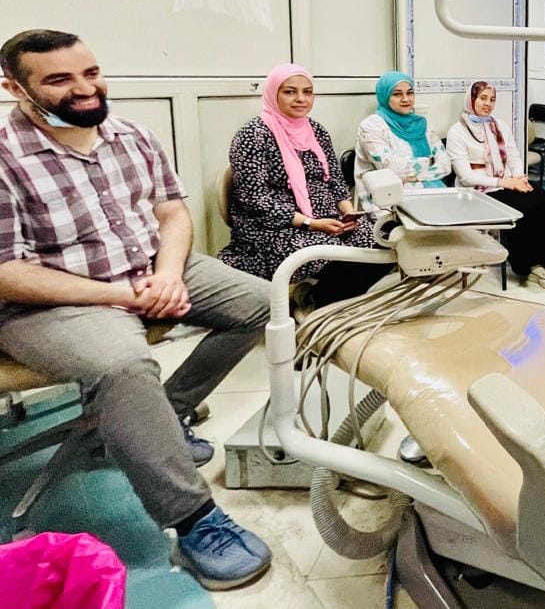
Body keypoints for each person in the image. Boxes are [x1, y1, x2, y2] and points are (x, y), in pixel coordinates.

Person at [0, 29, 272, 589]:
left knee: (262, 303)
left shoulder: (131, 135)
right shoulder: (5, 157)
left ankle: (163, 416)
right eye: (59, 80)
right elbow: (7, 271)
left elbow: (171, 212)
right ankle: (193, 520)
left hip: (148, 267)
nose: (84, 89)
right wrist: (125, 296)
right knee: (123, 365)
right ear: (15, 88)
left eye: (91, 72)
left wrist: (168, 274)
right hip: (49, 299)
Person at [219, 64, 387, 309]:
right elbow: (255, 200)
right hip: (274, 228)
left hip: (328, 220)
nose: (301, 99)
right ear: (273, 93)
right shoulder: (252, 136)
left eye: (307, 92)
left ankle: (320, 298)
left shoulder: (316, 131)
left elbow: (334, 180)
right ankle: (318, 303)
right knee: (328, 251)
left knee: (381, 240)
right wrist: (310, 223)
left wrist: (348, 213)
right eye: (290, 92)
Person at [445, 81, 545, 289]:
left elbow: (514, 156)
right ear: (471, 99)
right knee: (520, 209)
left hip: (507, 182)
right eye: (482, 98)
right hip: (476, 191)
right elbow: (466, 176)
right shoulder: (457, 132)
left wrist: (519, 178)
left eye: (492, 99)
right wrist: (504, 182)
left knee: (544, 201)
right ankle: (525, 267)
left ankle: (544, 262)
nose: (487, 104)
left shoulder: (499, 125)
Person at [354, 71, 449, 208]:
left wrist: (417, 177)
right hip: (387, 200)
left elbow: (445, 164)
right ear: (384, 96)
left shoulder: (423, 123)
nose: (406, 99)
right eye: (397, 94)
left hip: (430, 190)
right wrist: (430, 161)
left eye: (410, 93)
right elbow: (391, 170)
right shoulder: (371, 127)